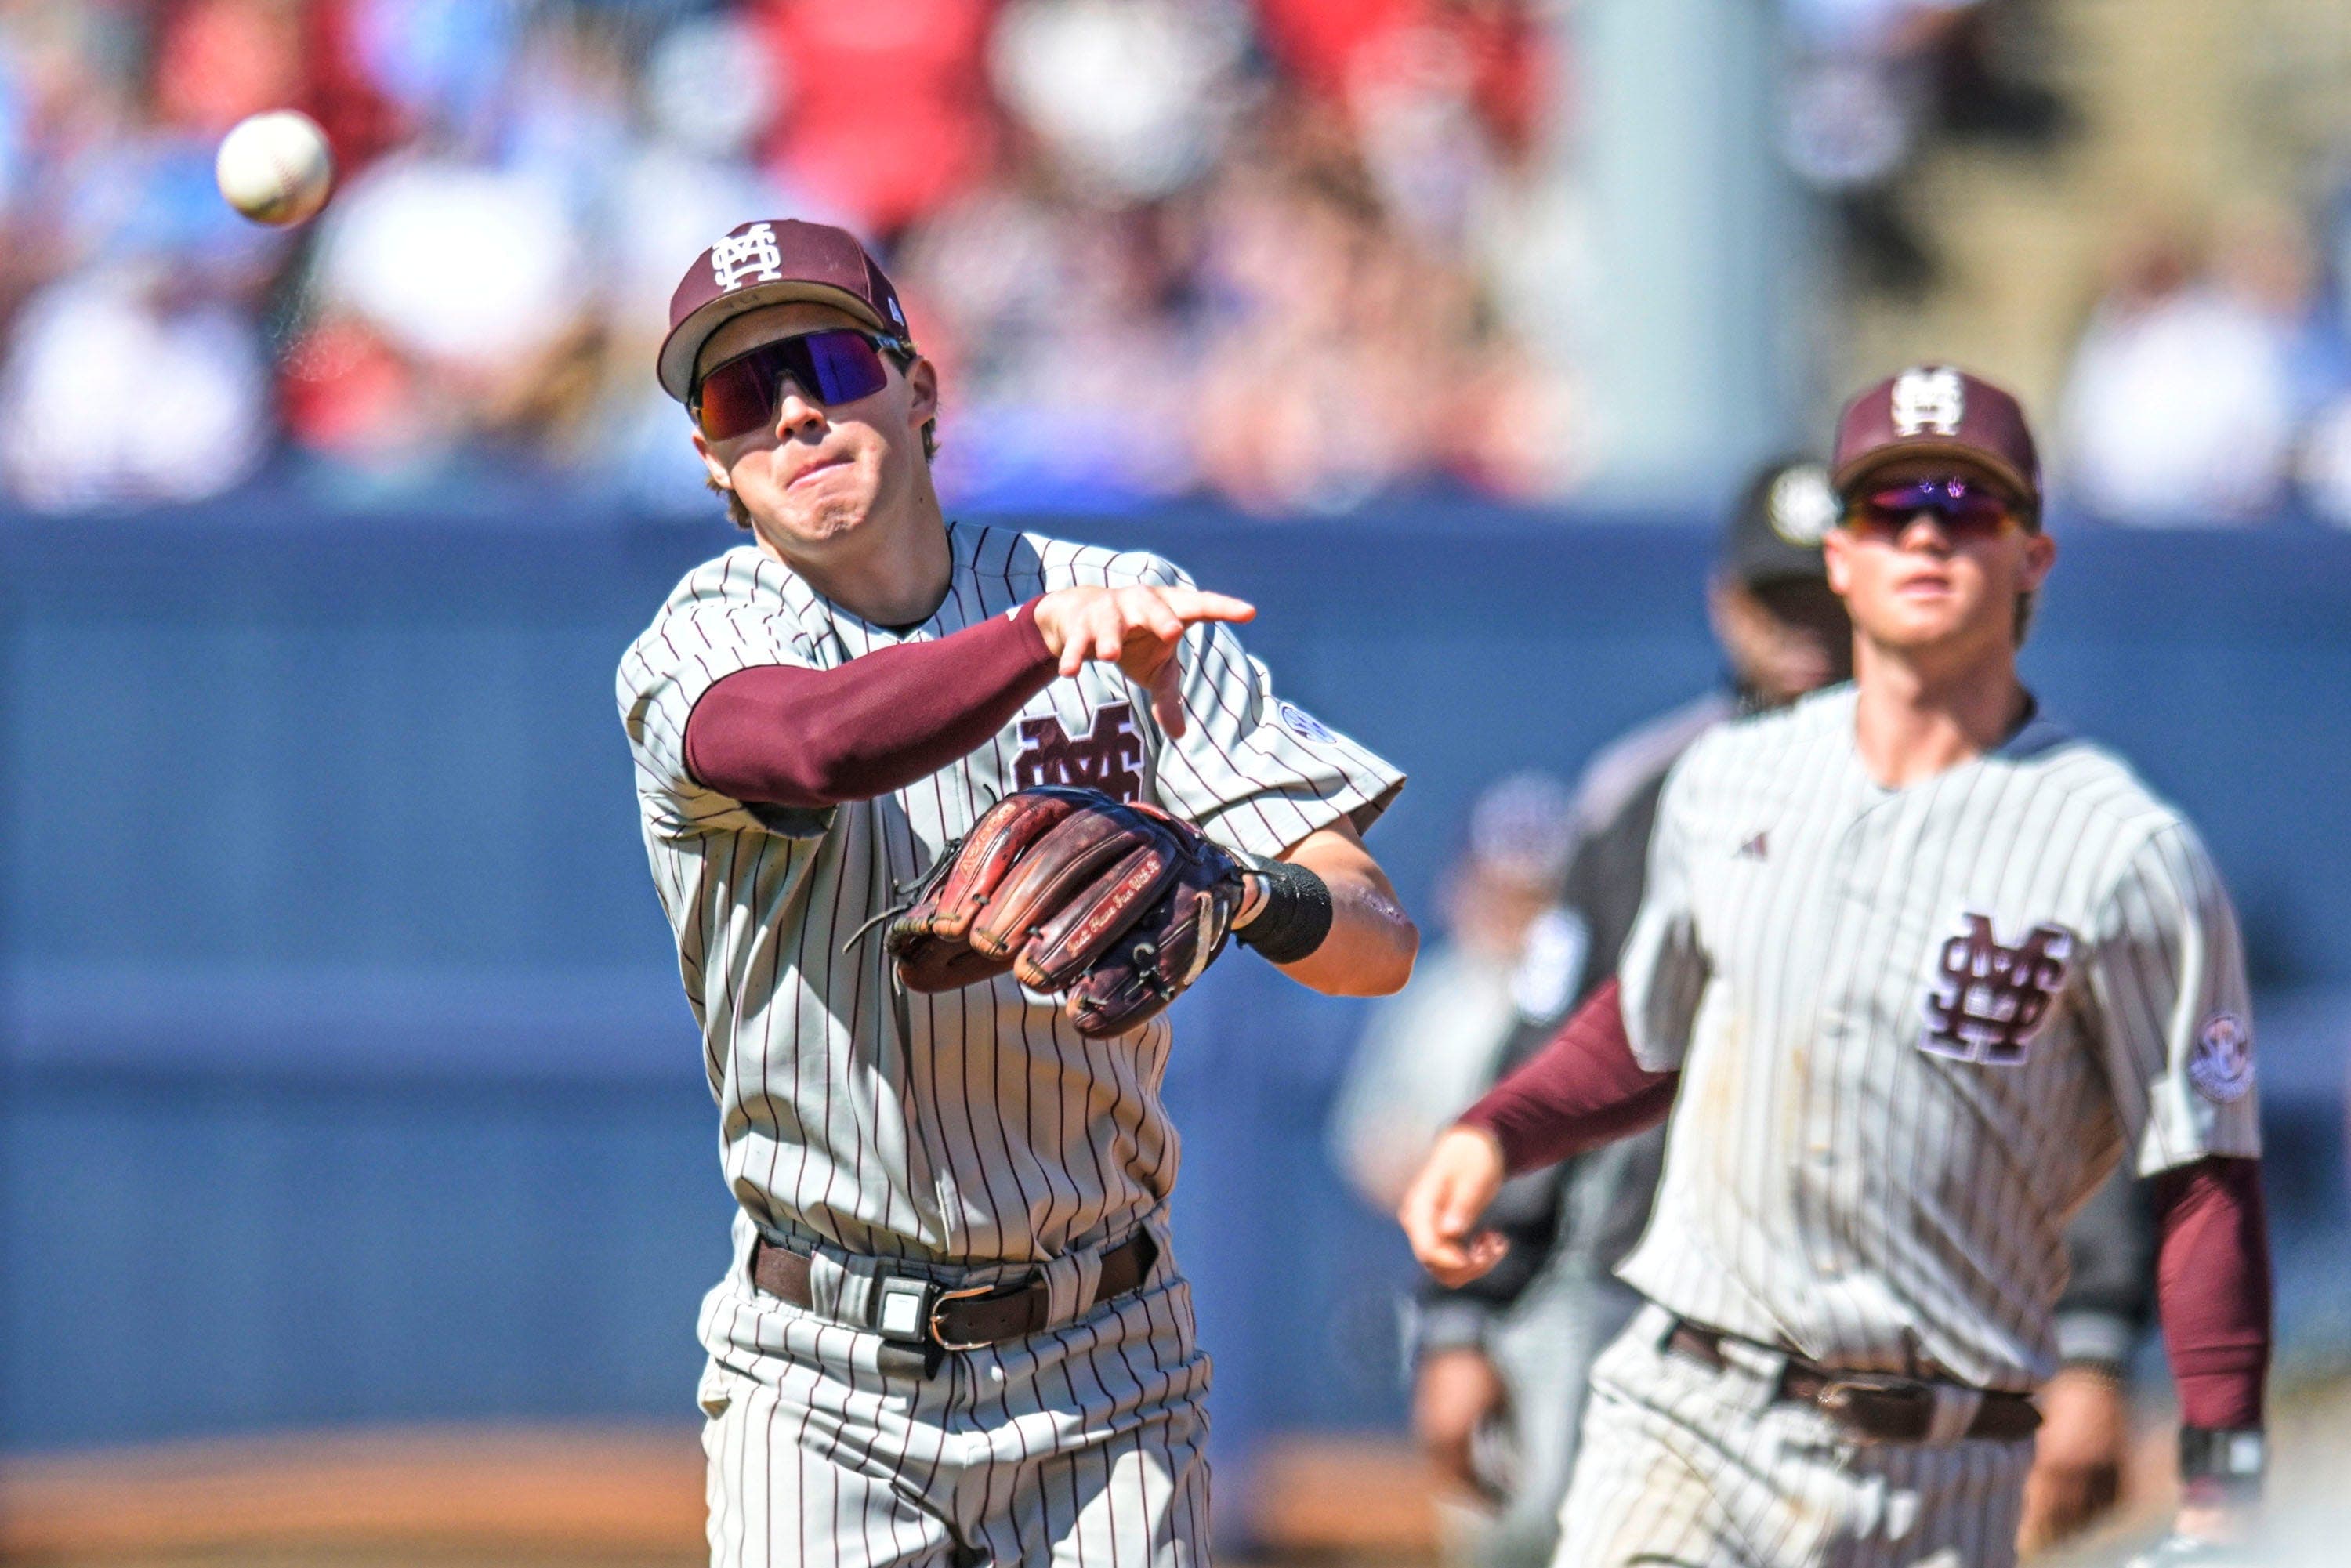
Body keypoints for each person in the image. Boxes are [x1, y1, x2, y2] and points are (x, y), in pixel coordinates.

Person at [616, 218, 1418, 1566]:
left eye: (826, 361)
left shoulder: (1130, 606)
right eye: (742, 394)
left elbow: (1376, 939)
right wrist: (1040, 642)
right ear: (716, 463)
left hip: (1108, 1354)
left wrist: (1242, 892)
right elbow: (813, 744)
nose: (797, 411)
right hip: (824, 1371)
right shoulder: (705, 640)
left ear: (918, 391)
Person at [1400, 366, 2272, 1567]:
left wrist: (2208, 1443)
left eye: (1968, 507)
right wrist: (1500, 1133)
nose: (1924, 531)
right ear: (1845, 556)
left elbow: (2198, 1172)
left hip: (1948, 1458)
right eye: (1887, 507)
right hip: (1691, 1410)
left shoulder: (2125, 854)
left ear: (2034, 556)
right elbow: (1636, 1033)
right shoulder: (1710, 785)